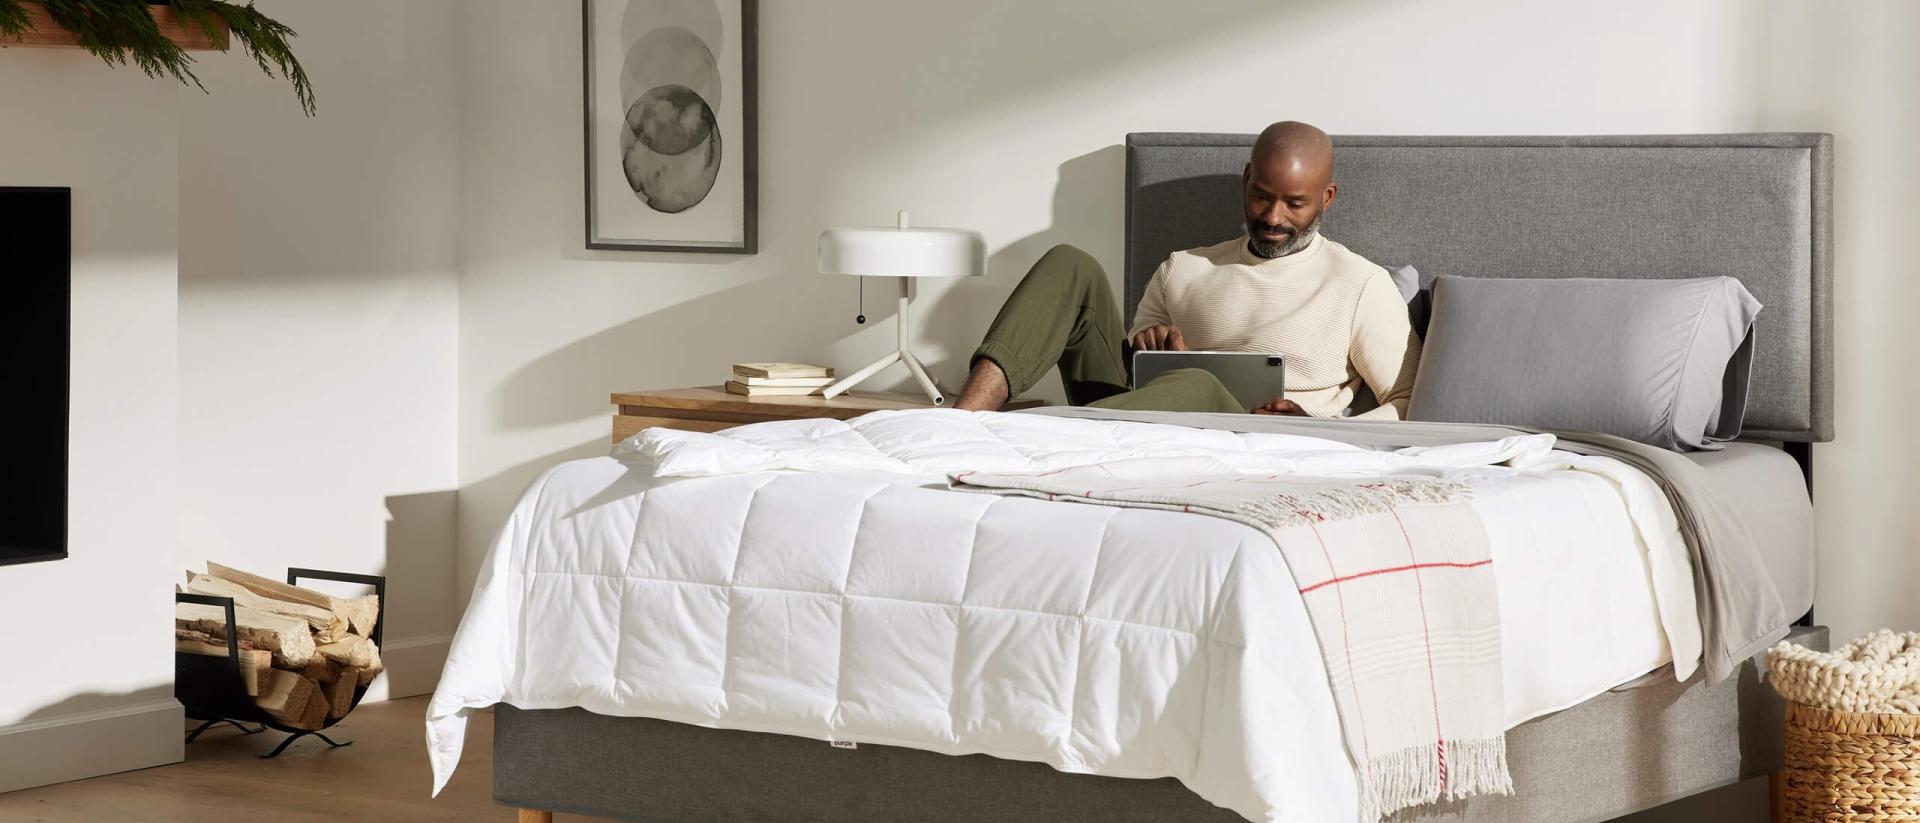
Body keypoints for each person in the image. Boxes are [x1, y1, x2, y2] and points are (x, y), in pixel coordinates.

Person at [951, 121, 1420, 418]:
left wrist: (1317, 432)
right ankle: (963, 426)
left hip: (1260, 442)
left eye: (1294, 204)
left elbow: (1408, 402)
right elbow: (1135, 376)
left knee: (1198, 384)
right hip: (1136, 420)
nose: (1273, 217)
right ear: (1245, 180)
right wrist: (1145, 345)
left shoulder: (1360, 284)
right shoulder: (1184, 267)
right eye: (1261, 195)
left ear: (1327, 198)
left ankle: (1043, 435)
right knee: (1069, 263)